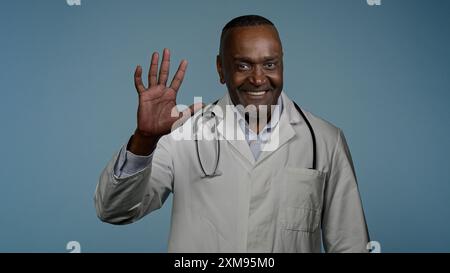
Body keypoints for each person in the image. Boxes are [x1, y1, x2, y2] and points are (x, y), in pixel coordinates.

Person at [95, 15, 370, 253]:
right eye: (243, 65)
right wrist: (144, 139)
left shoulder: (324, 140)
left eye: (270, 64)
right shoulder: (183, 133)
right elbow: (114, 211)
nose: (259, 79)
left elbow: (351, 244)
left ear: (282, 64)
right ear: (220, 68)